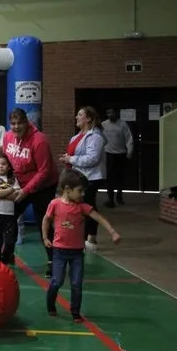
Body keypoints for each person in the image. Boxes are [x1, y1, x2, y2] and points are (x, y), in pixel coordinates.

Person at [43, 170, 121, 322]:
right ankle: (51, 304)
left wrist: (112, 232)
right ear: (67, 190)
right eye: (79, 191)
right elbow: (46, 220)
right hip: (59, 251)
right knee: (57, 281)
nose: (83, 194)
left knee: (76, 283)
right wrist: (46, 237)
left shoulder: (82, 207)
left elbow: (99, 218)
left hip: (77, 252)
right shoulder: (55, 204)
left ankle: (75, 312)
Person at [2, 108, 60, 277]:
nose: (16, 126)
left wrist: (27, 191)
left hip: (43, 186)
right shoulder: (7, 137)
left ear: (27, 123)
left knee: (44, 221)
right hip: (20, 185)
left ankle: (53, 261)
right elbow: (5, 162)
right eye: (13, 123)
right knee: (9, 216)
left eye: (20, 123)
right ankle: (8, 254)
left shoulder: (39, 140)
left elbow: (44, 171)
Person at [58, 106, 107, 252]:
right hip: (79, 176)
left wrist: (71, 159)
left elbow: (92, 159)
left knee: (87, 207)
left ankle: (90, 237)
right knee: (81, 208)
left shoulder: (95, 137)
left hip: (91, 177)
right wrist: (67, 159)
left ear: (89, 118)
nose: (76, 117)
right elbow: (75, 156)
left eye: (80, 115)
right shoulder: (76, 136)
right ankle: (82, 237)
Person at [0, 154, 20, 264]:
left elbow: (16, 196)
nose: (1, 166)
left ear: (9, 166)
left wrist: (2, 194)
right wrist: (10, 190)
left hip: (9, 214)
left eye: (4, 164)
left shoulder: (13, 180)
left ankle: (6, 257)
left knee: (10, 240)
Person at [101, 106, 134, 207]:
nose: (110, 115)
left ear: (116, 113)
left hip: (121, 154)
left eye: (112, 112)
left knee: (120, 177)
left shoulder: (123, 124)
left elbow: (129, 138)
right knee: (109, 178)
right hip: (109, 154)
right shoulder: (104, 124)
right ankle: (110, 198)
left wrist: (129, 151)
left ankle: (119, 197)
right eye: (108, 113)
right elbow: (100, 138)